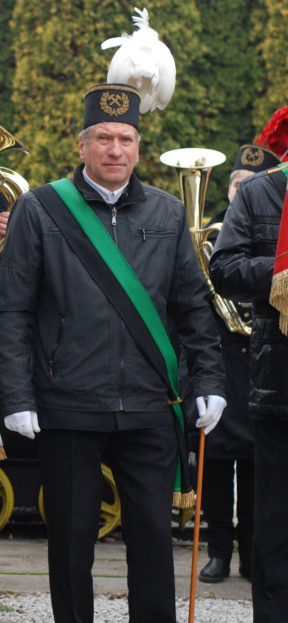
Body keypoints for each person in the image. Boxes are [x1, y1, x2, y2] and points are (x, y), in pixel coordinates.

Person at [0, 83, 226, 623]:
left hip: (149, 405)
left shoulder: (168, 213)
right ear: (82, 145)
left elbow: (194, 309)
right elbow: (12, 311)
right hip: (68, 401)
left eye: (125, 138)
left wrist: (210, 381)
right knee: (71, 539)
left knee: (151, 537)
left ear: (139, 148)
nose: (114, 149)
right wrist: (16, 394)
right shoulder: (40, 209)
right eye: (103, 137)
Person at [209, 114, 288, 623]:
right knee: (276, 529)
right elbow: (224, 268)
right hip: (280, 383)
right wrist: (281, 271)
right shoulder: (261, 194)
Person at [190, 144, 274, 584]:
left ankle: (253, 554)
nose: (245, 191)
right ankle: (218, 552)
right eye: (239, 184)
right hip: (221, 362)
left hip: (258, 364)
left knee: (260, 469)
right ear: (229, 189)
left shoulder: (272, 228)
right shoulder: (213, 235)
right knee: (217, 467)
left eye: (250, 185)